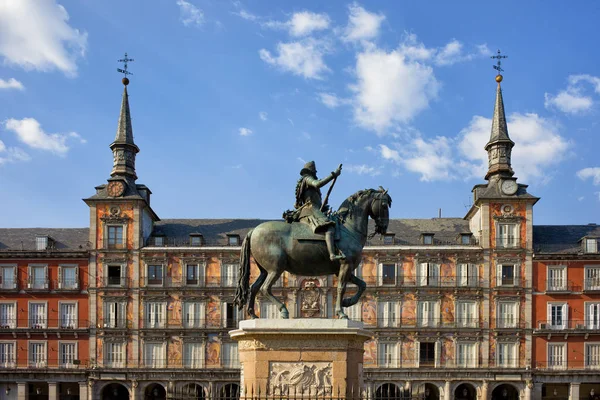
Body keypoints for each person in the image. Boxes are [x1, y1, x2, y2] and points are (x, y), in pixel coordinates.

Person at [294, 161, 345, 261]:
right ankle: (332, 255)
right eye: (314, 171)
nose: (315, 174)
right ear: (311, 171)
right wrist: (334, 174)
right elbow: (318, 184)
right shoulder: (307, 179)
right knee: (330, 227)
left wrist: (323, 206)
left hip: (315, 209)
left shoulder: (307, 182)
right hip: (310, 210)